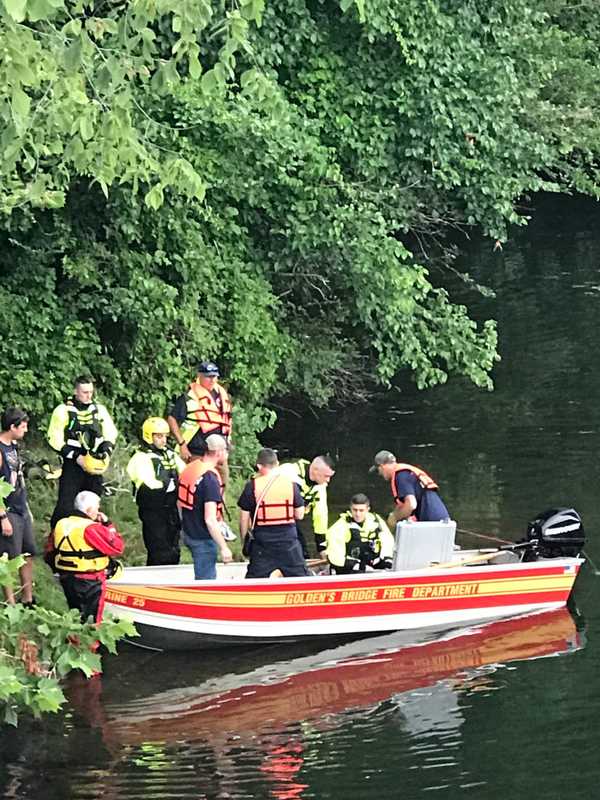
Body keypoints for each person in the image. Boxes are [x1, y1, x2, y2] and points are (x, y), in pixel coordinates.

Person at [47, 375, 118, 530]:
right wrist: (76, 457)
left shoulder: (99, 410)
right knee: (66, 504)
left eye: (91, 392)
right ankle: (57, 539)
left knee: (93, 503)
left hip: (94, 461)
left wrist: (106, 452)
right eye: (84, 392)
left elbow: (110, 433)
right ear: (75, 391)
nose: (88, 396)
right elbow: (54, 438)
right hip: (73, 462)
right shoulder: (63, 410)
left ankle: (93, 538)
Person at [53, 491, 124, 623]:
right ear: (89, 509)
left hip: (66, 577)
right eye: (97, 508)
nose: (98, 512)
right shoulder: (91, 528)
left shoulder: (61, 523)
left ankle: (73, 640)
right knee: (92, 619)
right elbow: (117, 547)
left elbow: (50, 551)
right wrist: (108, 524)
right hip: (89, 581)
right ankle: (91, 643)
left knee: (75, 615)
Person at [238, 448, 308, 579]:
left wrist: (244, 541)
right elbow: (300, 514)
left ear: (259, 466)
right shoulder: (291, 485)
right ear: (277, 464)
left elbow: (243, 519)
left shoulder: (252, 486)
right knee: (300, 577)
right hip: (288, 541)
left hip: (263, 543)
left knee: (255, 580)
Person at [126, 416, 185, 566]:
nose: (163, 440)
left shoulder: (170, 454)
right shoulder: (140, 458)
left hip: (170, 509)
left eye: (165, 436)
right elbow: (149, 484)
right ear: (149, 436)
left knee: (174, 548)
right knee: (159, 550)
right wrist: (170, 485)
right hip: (153, 509)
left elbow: (184, 472)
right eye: (159, 436)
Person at [177, 433, 233, 579]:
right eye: (226, 451)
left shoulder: (191, 468)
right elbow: (210, 519)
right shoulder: (210, 479)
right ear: (219, 452)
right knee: (206, 580)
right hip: (202, 538)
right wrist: (224, 547)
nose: (227, 454)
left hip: (189, 531)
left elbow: (180, 503)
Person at [167, 361, 232, 486]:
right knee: (197, 486)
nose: (212, 380)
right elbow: (172, 419)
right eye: (208, 376)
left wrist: (227, 445)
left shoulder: (222, 396)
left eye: (215, 376)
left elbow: (227, 422)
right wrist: (182, 444)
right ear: (200, 376)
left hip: (218, 453)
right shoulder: (189, 397)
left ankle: (218, 506)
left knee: (222, 484)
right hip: (196, 452)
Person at [0, 407, 36, 606]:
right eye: (23, 426)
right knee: (8, 558)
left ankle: (27, 598)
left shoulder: (14, 446)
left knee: (28, 553)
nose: (26, 430)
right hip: (8, 510)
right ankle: (10, 602)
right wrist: (2, 517)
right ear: (12, 427)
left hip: (21, 507)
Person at [370, 450, 450, 523]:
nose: (379, 474)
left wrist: (394, 517)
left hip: (432, 523)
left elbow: (411, 504)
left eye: (378, 470)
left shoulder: (401, 475)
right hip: (443, 521)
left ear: (382, 466)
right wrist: (395, 513)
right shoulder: (406, 473)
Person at [326, 493, 394, 574]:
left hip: (373, 564)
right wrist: (356, 565)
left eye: (361, 510)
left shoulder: (376, 521)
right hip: (350, 568)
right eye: (355, 510)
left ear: (368, 509)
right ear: (350, 509)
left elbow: (388, 541)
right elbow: (336, 556)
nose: (358, 514)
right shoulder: (340, 526)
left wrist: (387, 559)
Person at [279, 456, 335, 554]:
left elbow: (320, 514)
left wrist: (321, 545)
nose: (328, 480)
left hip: (291, 519)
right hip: (275, 517)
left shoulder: (320, 486)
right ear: (315, 470)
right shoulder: (289, 472)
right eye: (326, 476)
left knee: (303, 552)